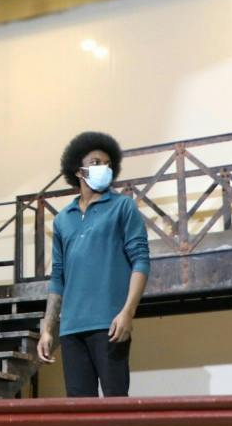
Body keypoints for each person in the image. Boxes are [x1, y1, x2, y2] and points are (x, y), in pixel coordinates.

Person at [36, 131, 151, 397]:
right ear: (79, 170)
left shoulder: (123, 207)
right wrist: (47, 330)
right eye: (97, 162)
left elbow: (141, 261)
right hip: (71, 330)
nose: (104, 168)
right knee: (79, 413)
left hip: (110, 325)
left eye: (108, 164)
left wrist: (128, 313)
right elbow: (58, 278)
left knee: (115, 406)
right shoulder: (63, 219)